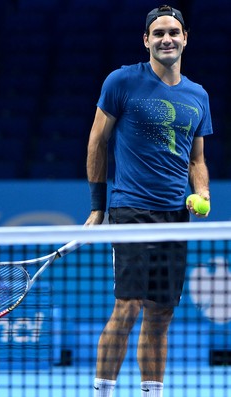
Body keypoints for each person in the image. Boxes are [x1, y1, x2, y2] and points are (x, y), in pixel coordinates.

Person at [85, 4, 213, 397]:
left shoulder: (198, 95)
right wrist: (98, 206)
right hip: (131, 209)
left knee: (162, 313)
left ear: (185, 38)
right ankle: (102, 392)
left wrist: (202, 191)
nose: (166, 39)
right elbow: (97, 142)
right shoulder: (121, 82)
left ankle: (151, 393)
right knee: (128, 305)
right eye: (158, 33)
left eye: (173, 32)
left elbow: (197, 160)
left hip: (176, 215)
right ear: (146, 40)